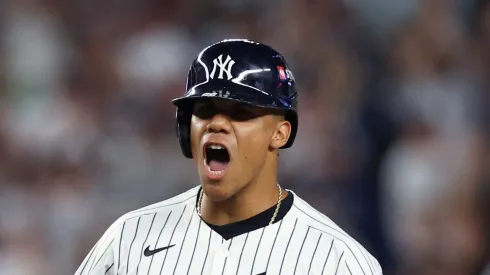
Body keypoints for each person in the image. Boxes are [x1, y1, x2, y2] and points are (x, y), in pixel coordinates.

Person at [74, 39, 383, 275]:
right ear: (186, 130)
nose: (217, 123)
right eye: (205, 110)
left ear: (280, 133)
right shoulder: (130, 237)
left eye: (241, 113)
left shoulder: (337, 259)